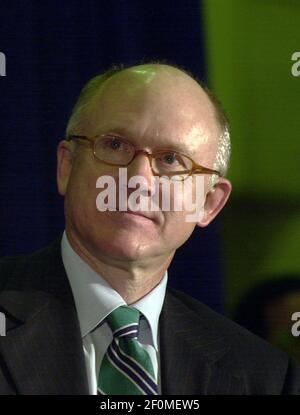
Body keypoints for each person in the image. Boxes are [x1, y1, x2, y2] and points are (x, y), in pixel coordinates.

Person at [0, 63, 299, 395]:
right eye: (115, 145)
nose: (139, 180)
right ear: (66, 167)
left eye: (171, 159)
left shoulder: (265, 377)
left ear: (209, 203)